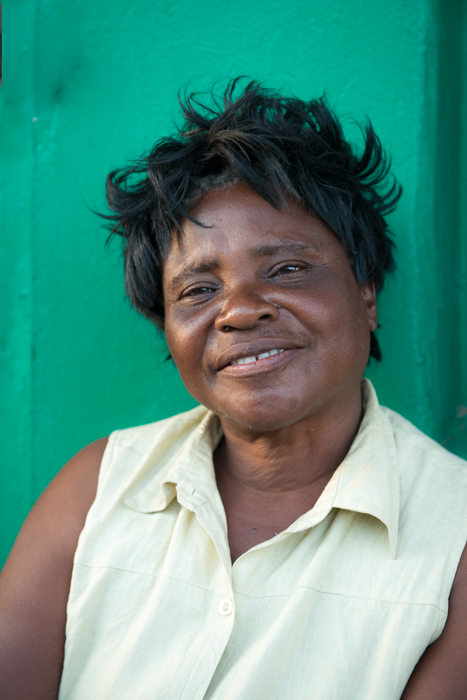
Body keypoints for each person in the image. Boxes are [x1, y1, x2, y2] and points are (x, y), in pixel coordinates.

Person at [1, 79, 467, 700]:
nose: (241, 311)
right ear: (168, 329)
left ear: (366, 293)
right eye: (198, 290)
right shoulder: (98, 489)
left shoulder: (455, 533)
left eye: (288, 269)